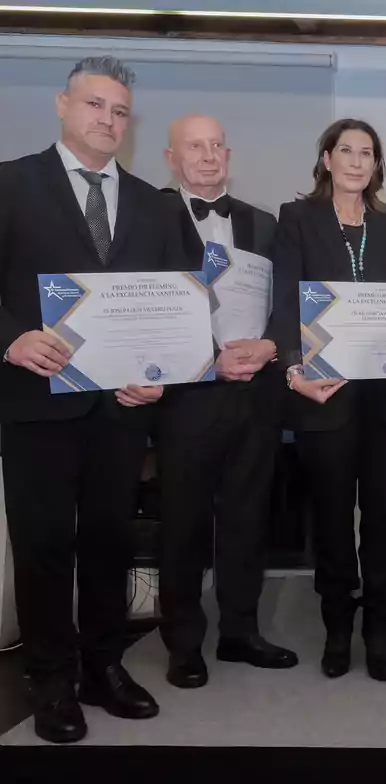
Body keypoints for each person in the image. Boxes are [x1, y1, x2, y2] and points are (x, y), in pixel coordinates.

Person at [0, 57, 186, 743]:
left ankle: (104, 666)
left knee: (110, 540)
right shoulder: (10, 183)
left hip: (121, 410)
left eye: (119, 111)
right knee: (44, 545)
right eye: (94, 105)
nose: (108, 119)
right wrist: (11, 337)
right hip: (36, 403)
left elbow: (174, 301)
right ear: (62, 104)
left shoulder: (155, 204)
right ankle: (51, 679)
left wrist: (164, 371)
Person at [267, 119, 386, 683]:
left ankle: (379, 630)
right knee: (332, 523)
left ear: (377, 165)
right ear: (327, 159)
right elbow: (286, 301)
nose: (357, 162)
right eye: (347, 151)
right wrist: (292, 371)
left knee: (384, 522)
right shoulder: (298, 218)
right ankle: (337, 627)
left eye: (367, 153)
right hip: (324, 395)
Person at [155, 113, 297, 690]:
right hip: (186, 399)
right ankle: (184, 643)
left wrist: (270, 345)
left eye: (216, 146)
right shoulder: (147, 219)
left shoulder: (265, 223)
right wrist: (207, 359)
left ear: (229, 155)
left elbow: (288, 302)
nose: (209, 156)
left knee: (247, 520)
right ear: (171, 158)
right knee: (183, 526)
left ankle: (240, 632)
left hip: (255, 396)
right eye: (195, 147)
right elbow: (147, 306)